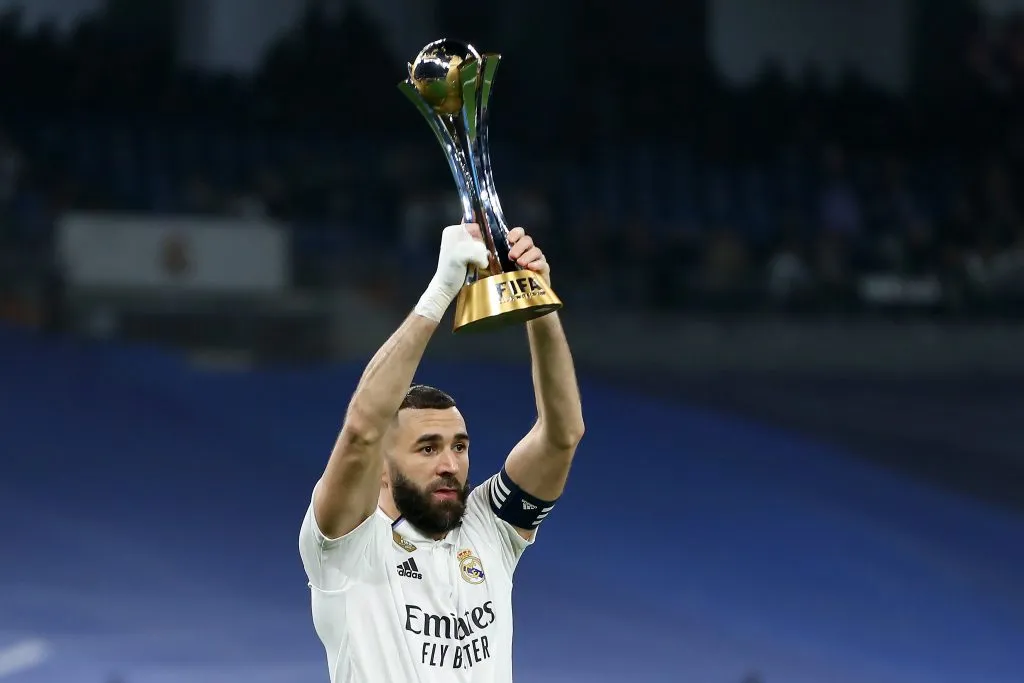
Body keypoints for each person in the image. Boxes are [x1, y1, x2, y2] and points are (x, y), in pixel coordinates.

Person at [298, 222, 585, 682]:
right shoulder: (348, 547)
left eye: (459, 446)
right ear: (383, 468)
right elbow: (361, 432)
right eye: (427, 448)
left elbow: (562, 435)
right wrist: (440, 291)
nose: (450, 465)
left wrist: (537, 301)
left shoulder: (489, 528)